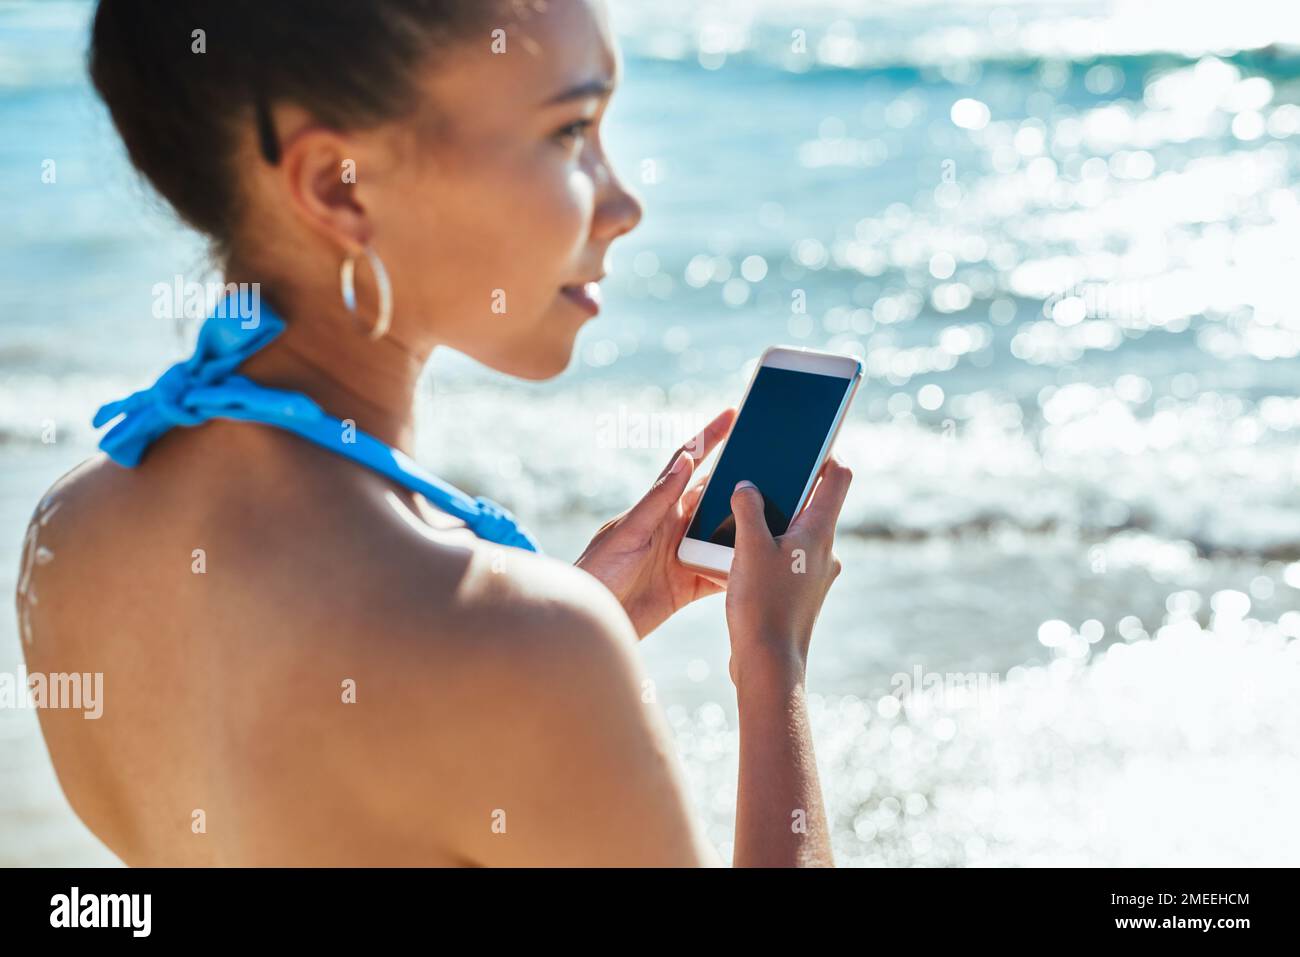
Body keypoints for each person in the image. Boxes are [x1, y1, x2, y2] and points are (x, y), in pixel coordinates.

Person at [16, 0, 851, 866]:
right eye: (570, 131)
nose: (625, 203)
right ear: (339, 186)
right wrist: (770, 654)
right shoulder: (523, 646)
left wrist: (586, 616)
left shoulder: (69, 530)